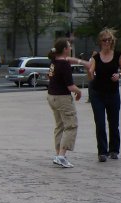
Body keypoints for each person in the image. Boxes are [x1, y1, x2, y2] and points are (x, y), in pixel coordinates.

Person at [88, 28, 121, 162]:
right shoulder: (95, 57)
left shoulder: (117, 55)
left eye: (109, 40)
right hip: (97, 93)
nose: (107, 42)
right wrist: (89, 70)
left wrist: (120, 75)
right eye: (104, 40)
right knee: (100, 123)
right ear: (100, 41)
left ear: (112, 41)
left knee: (113, 123)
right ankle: (102, 152)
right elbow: (91, 74)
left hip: (113, 93)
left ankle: (114, 150)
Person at [47, 38, 84, 168]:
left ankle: (58, 154)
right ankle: (62, 156)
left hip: (52, 96)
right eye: (69, 46)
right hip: (63, 98)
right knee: (71, 126)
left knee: (59, 126)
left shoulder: (54, 61)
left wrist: (81, 61)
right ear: (64, 49)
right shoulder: (64, 65)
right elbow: (71, 87)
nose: (71, 48)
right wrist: (79, 92)